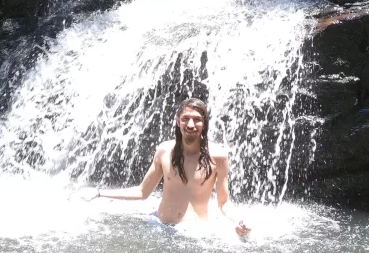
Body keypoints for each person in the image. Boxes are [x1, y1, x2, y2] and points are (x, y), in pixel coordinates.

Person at [82, 98, 250, 237]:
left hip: (195, 233)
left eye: (197, 119)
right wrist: (99, 193)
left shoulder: (218, 156)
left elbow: (224, 202)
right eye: (185, 118)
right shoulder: (164, 150)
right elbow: (142, 192)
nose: (190, 124)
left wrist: (239, 221)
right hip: (158, 225)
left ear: (204, 123)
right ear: (178, 121)